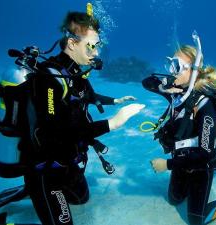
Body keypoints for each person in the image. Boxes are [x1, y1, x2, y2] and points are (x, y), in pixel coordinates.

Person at [18, 10, 144, 225]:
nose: (96, 51)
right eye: (92, 45)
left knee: (82, 199)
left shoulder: (76, 73)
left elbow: (88, 96)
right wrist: (112, 123)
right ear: (72, 43)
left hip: (69, 161)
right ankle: (36, 190)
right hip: (46, 168)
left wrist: (116, 101)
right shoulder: (49, 79)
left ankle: (43, 196)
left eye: (97, 45)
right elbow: (56, 134)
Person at [142, 45, 216, 225]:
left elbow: (207, 153)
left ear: (194, 70)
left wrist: (167, 164)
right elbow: (147, 82)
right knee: (174, 199)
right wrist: (164, 89)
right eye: (170, 64)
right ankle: (188, 183)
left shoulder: (206, 105)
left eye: (177, 66)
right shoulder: (178, 92)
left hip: (201, 165)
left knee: (196, 220)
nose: (172, 72)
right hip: (183, 158)